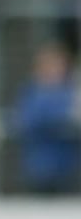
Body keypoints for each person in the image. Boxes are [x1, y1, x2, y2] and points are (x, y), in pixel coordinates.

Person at [12, 43, 81, 195]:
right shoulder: (32, 93)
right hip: (41, 168)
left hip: (69, 167)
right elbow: (25, 122)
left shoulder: (70, 92)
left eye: (60, 66)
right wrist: (64, 119)